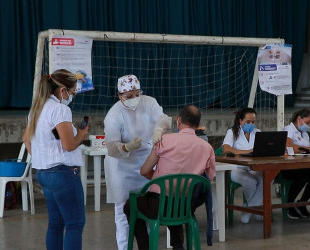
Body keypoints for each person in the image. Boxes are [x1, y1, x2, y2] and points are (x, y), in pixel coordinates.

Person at [123, 105, 215, 250]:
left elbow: (144, 171)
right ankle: (178, 245)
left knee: (129, 205)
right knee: (177, 200)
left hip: (158, 206)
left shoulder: (164, 140)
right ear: (198, 125)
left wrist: (162, 180)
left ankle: (144, 247)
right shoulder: (207, 148)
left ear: (178, 120)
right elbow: (206, 182)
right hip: (186, 207)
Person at [103, 75, 171, 250]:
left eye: (136, 94)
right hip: (121, 166)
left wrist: (158, 129)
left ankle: (145, 246)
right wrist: (126, 147)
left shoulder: (149, 102)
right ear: (120, 95)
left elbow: (163, 118)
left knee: (147, 206)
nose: (134, 99)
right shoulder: (114, 114)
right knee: (122, 210)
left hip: (146, 162)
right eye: (129, 96)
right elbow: (111, 146)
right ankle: (124, 247)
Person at [23, 69, 88, 250]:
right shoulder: (60, 109)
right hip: (63, 174)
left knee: (55, 224)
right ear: (62, 91)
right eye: (72, 92)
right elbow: (68, 145)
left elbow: (27, 140)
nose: (72, 96)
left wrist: (43, 158)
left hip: (44, 173)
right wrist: (81, 135)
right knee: (75, 224)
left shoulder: (36, 108)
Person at [222, 107, 263, 224]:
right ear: (240, 121)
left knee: (268, 178)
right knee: (250, 181)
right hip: (237, 168)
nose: (251, 124)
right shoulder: (233, 132)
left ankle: (249, 208)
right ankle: (256, 209)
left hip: (255, 167)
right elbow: (226, 149)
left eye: (253, 122)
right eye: (248, 122)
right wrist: (247, 152)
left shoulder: (257, 132)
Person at [281, 108, 310, 219]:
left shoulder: (305, 133)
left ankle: (302, 203)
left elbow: (307, 150)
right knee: (301, 178)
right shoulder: (288, 129)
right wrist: (308, 148)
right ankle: (289, 206)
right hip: (287, 166)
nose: (309, 125)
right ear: (299, 118)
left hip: (301, 165)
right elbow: (288, 145)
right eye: (307, 122)